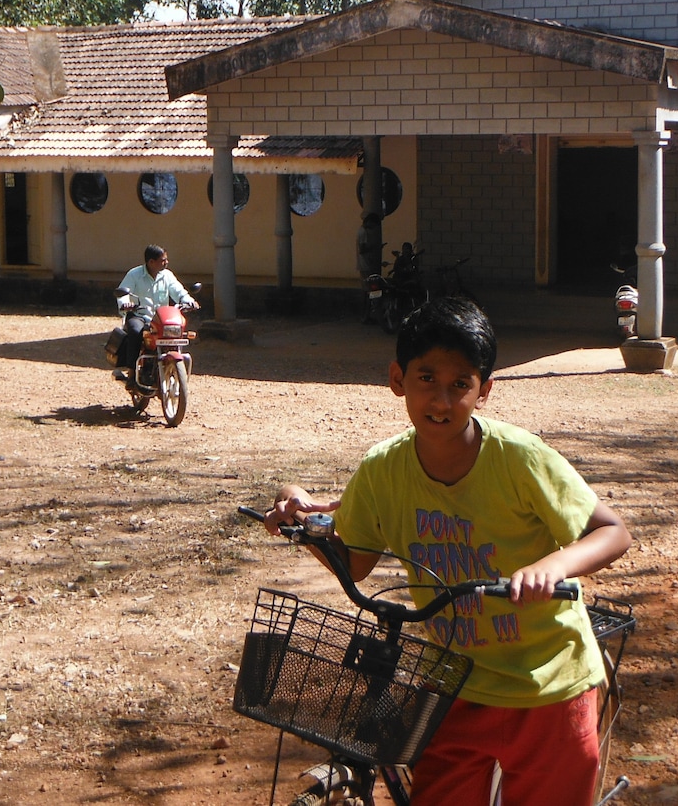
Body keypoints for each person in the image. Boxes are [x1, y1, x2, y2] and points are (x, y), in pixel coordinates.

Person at [268, 297, 632, 806]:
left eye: (460, 384)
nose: (441, 400)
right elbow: (354, 563)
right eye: (426, 379)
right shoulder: (381, 472)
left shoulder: (520, 459)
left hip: (550, 688)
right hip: (451, 689)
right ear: (397, 378)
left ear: (484, 391)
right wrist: (303, 528)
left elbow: (613, 532)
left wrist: (551, 566)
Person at [113, 244, 197, 386]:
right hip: (139, 315)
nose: (166, 262)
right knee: (135, 331)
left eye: (166, 259)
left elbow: (179, 291)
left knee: (176, 333)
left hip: (161, 317)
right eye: (163, 260)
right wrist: (125, 304)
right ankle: (132, 372)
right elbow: (123, 294)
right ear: (151, 262)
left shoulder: (167, 275)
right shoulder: (134, 274)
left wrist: (189, 301)